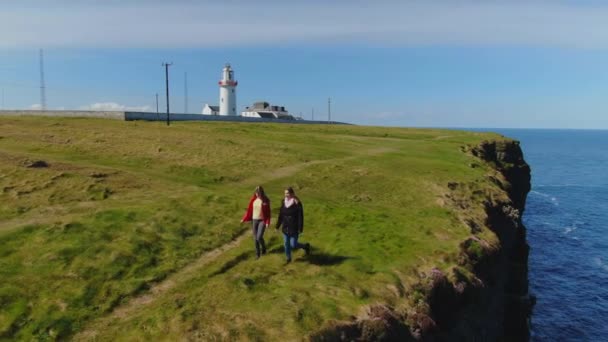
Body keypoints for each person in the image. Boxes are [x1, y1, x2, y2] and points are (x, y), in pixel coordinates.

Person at [275, 187, 310, 263]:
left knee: (293, 244)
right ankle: (288, 258)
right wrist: (277, 226)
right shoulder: (283, 202)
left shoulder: (297, 204)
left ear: (292, 194)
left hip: (294, 227)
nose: (286, 195)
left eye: (287, 193)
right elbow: (281, 215)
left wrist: (300, 228)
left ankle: (305, 246)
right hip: (285, 227)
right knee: (286, 244)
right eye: (285, 193)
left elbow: (300, 216)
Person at [241, 186, 271, 259]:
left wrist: (267, 222)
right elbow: (249, 211)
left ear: (262, 192)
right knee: (255, 239)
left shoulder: (265, 201)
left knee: (259, 237)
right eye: (256, 192)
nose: (257, 194)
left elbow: (268, 213)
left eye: (259, 193)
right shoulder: (253, 200)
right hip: (254, 220)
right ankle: (258, 254)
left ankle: (264, 248)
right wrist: (244, 219)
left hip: (262, 220)